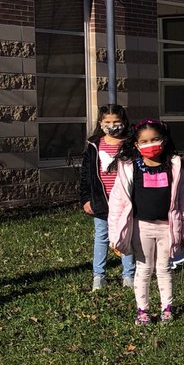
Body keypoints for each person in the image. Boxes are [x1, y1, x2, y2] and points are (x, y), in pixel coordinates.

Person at [108, 119, 184, 326]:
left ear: (164, 140)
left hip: (168, 227)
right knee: (144, 268)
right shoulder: (129, 168)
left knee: (164, 268)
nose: (150, 144)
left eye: (155, 139)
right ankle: (143, 310)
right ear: (136, 144)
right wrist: (115, 236)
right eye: (145, 141)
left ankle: (167, 308)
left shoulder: (174, 166)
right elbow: (117, 203)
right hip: (141, 228)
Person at [79, 104, 134, 291]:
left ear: (124, 122)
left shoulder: (130, 144)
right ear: (101, 123)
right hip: (101, 200)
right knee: (101, 236)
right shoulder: (94, 145)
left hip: (126, 201)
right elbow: (86, 174)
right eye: (108, 122)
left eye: (116, 122)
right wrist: (86, 198)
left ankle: (129, 274)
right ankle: (99, 275)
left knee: (126, 236)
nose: (112, 126)